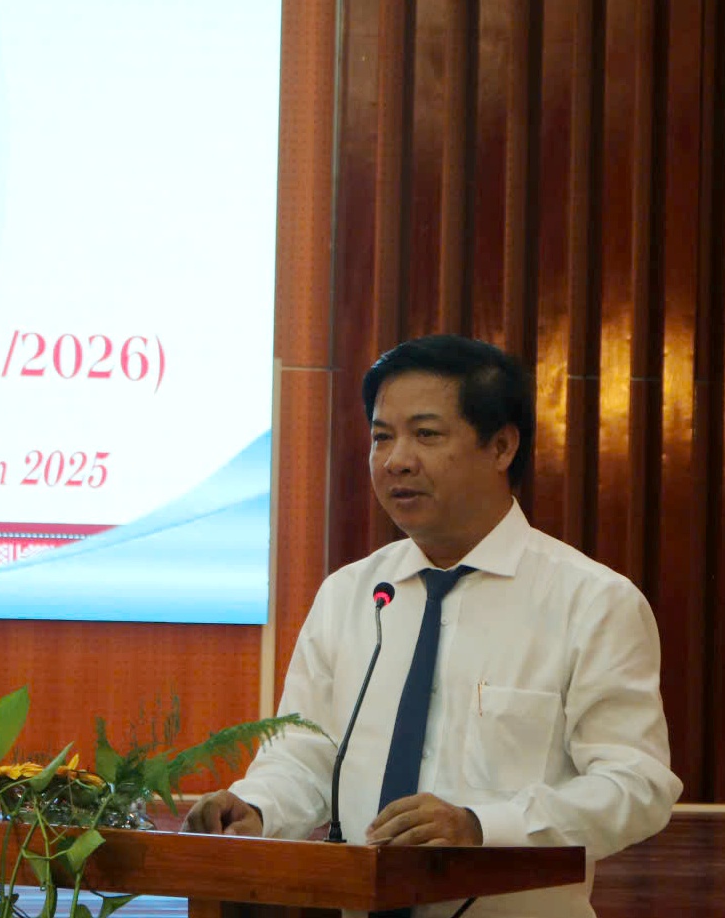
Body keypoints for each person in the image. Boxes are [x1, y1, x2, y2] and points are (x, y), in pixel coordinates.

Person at [182, 334, 681, 918]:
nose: (396, 460)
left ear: (501, 446)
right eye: (381, 437)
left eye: (426, 434)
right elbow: (304, 757)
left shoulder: (592, 602)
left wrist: (481, 827)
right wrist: (257, 809)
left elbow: (636, 786)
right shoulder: (352, 595)